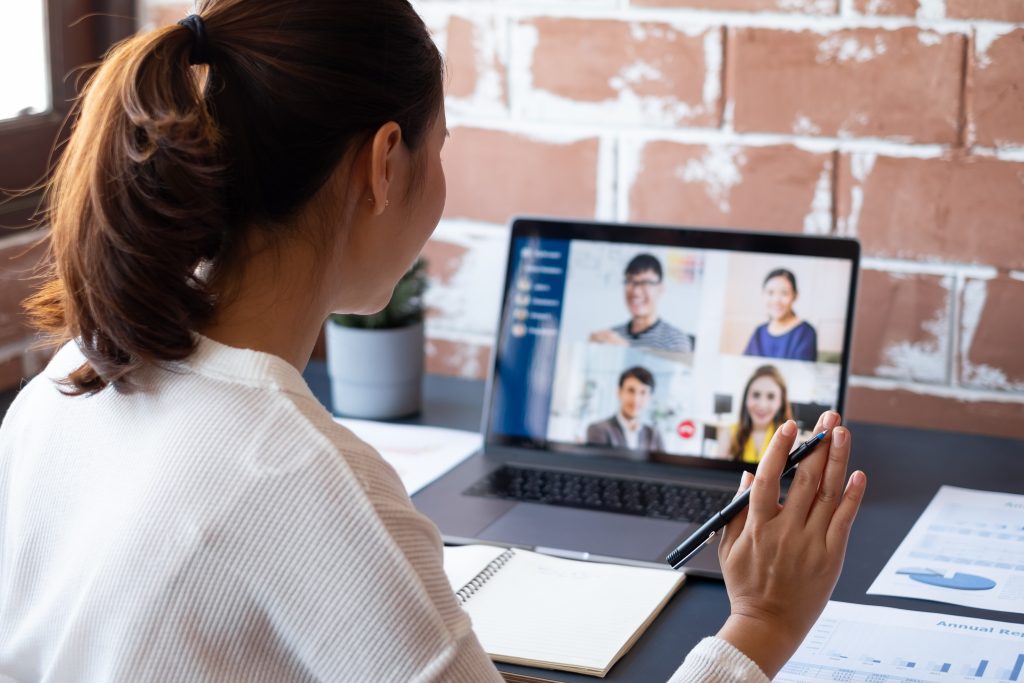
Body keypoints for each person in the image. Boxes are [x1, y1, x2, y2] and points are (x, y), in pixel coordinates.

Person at [0, 2, 866, 681]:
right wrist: (761, 624)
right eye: (439, 145)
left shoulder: (63, 387)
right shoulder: (299, 483)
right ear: (385, 162)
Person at [589, 253, 695, 354]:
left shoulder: (675, 340)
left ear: (661, 289)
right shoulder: (612, 335)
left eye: (645, 283)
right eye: (630, 282)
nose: (636, 291)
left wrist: (625, 351)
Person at [718, 365, 794, 463]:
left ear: (781, 402)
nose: (762, 405)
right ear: (746, 398)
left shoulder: (788, 438)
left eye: (771, 397)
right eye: (756, 395)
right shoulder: (729, 434)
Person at [585, 366, 665, 456]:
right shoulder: (599, 430)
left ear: (649, 398)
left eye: (643, 393)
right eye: (631, 391)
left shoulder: (654, 436)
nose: (636, 399)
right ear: (619, 392)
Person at [743, 268, 818, 361]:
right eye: (770, 293)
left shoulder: (805, 333)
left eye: (784, 293)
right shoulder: (759, 331)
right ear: (763, 295)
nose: (776, 300)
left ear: (795, 296)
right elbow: (745, 366)